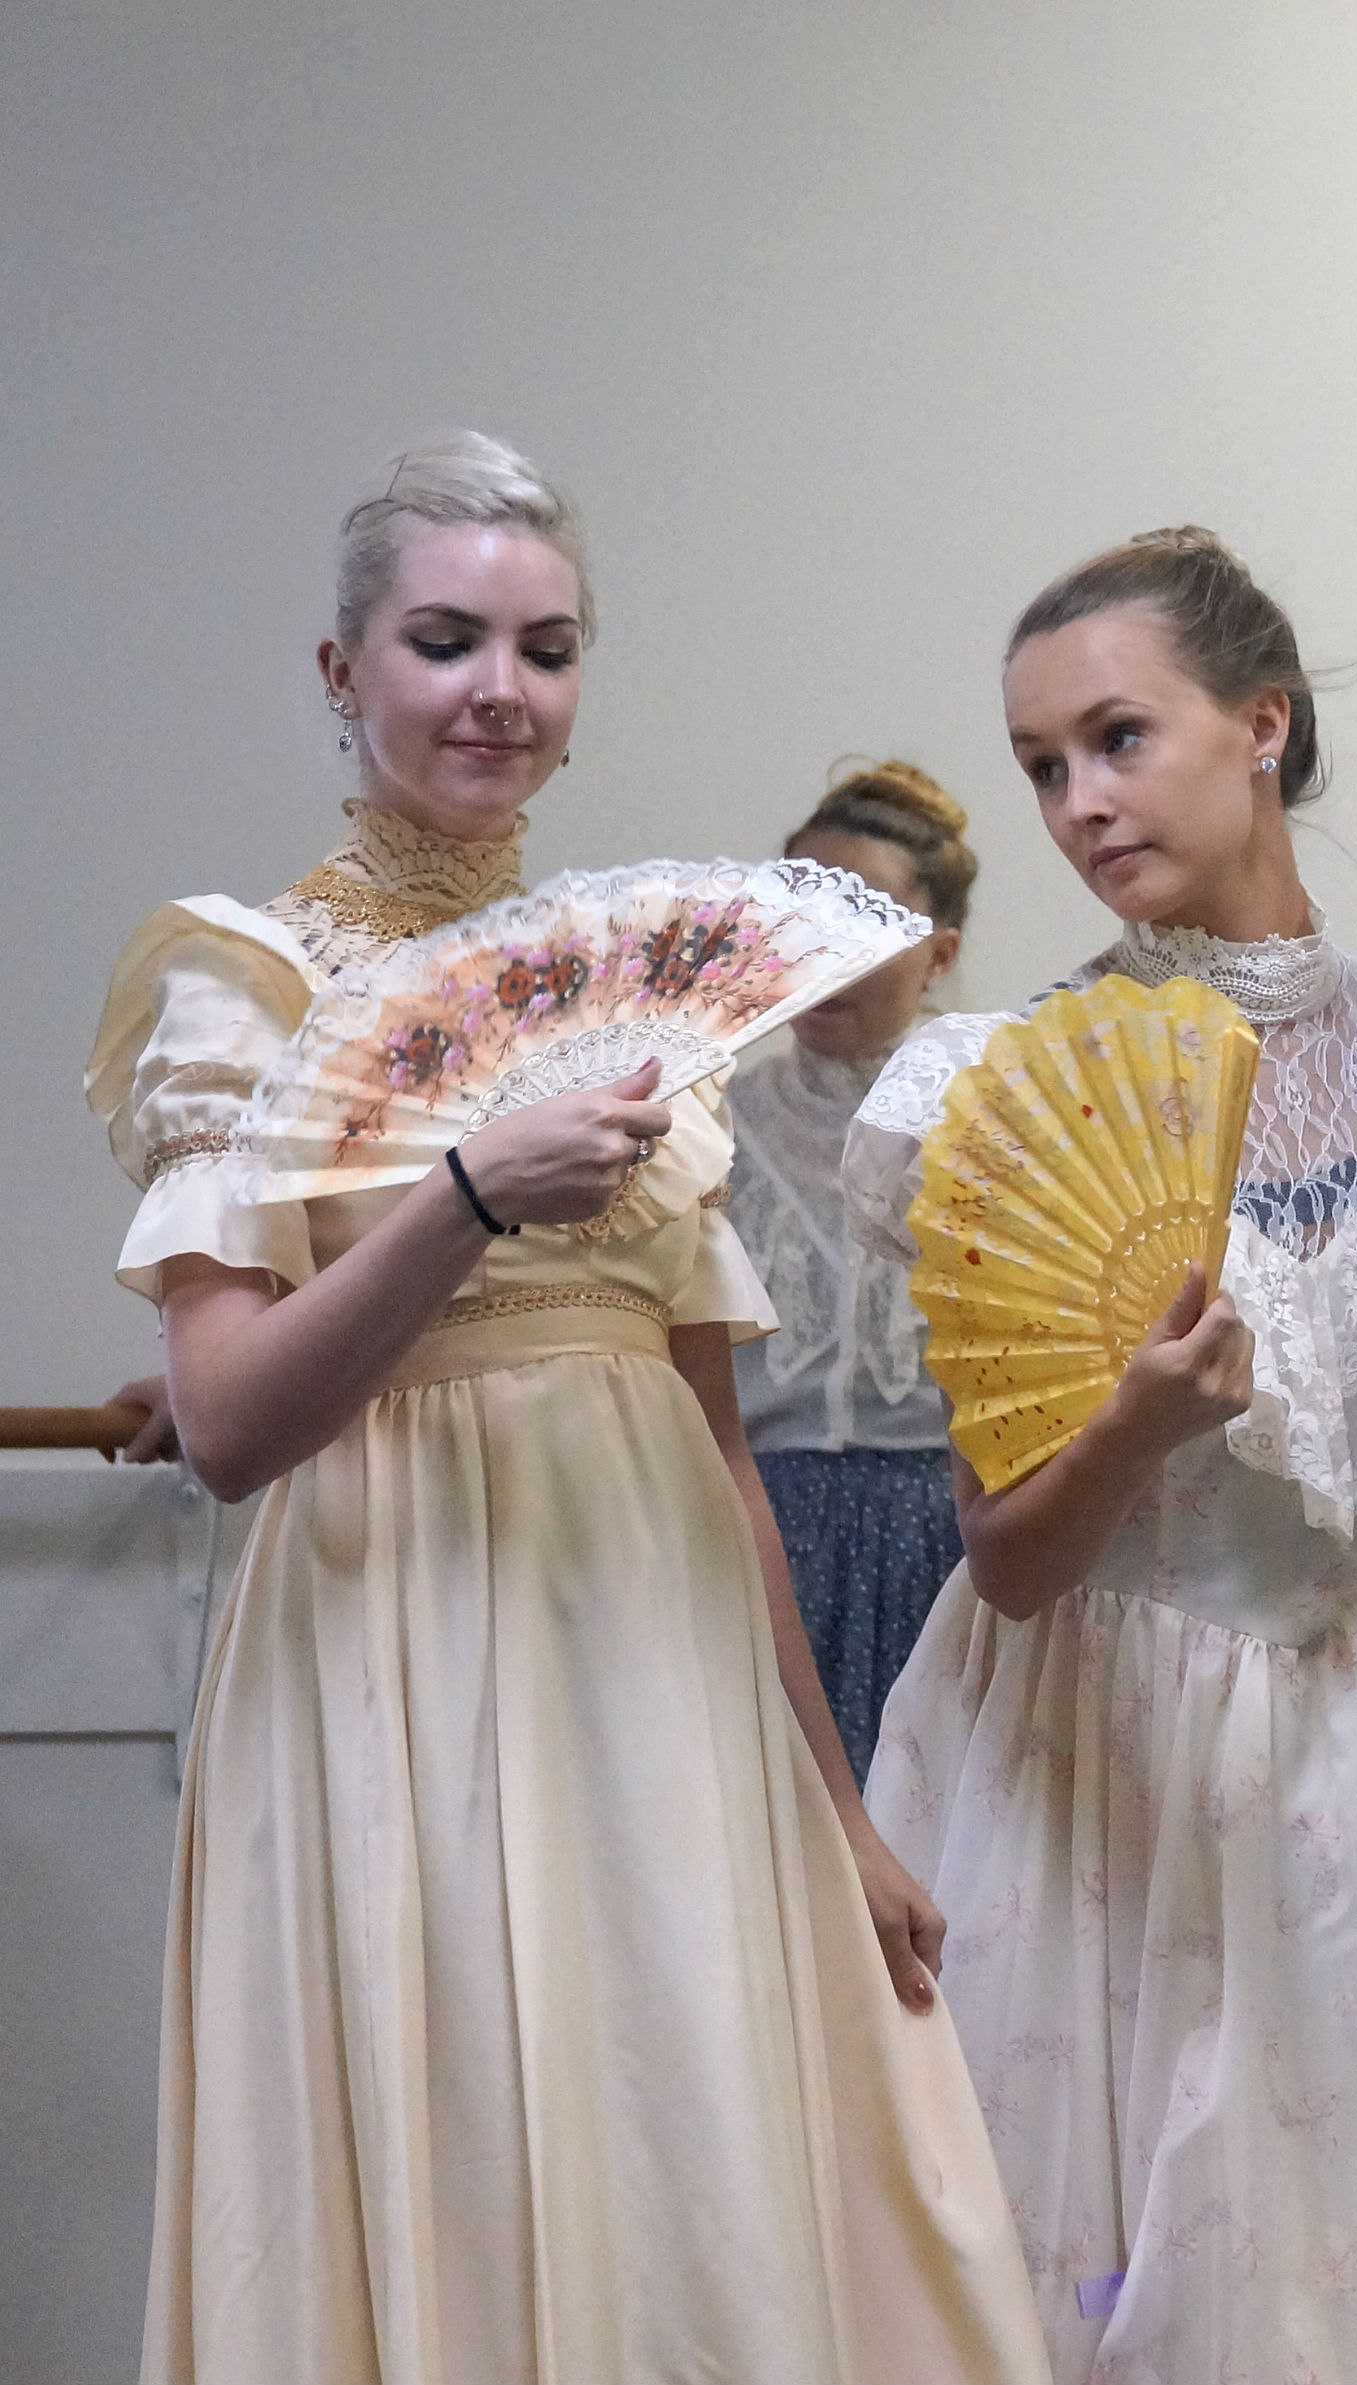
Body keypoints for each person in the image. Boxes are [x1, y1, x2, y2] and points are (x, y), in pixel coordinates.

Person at [91, 432, 1044, 2383]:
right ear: (346, 673)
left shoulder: (647, 1000)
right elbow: (230, 1419)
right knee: (448, 2165)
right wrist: (460, 1198)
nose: (496, 689)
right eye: (444, 640)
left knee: (700, 2176)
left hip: (666, 1681)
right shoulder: (243, 986)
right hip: (396, 1672)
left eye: (543, 645)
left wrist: (834, 1800)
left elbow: (715, 1440)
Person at [848, 527, 1357, 2384]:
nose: (1078, 804)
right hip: (1097, 1749)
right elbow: (1009, 1561)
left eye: (1117, 739)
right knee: (1118, 2282)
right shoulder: (1004, 1092)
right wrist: (1134, 1423)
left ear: (1259, 722)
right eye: (1042, 767)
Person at [726, 757, 977, 1779]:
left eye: (858, 921)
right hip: (755, 1550)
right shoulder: (709, 1132)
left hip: (949, 1545)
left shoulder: (995, 1130)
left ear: (939, 953)